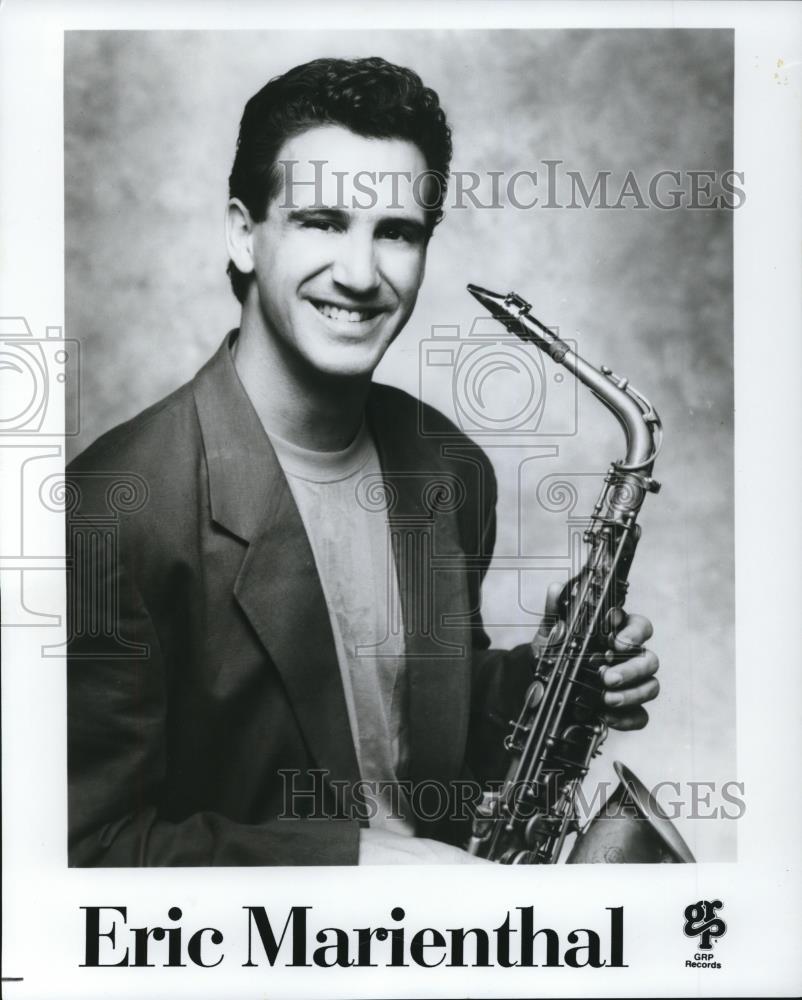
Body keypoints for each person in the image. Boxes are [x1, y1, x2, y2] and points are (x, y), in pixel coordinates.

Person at [66, 57, 660, 866]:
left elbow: (405, 737)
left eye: (397, 232)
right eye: (321, 221)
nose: (360, 272)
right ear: (244, 233)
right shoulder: (110, 510)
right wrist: (354, 860)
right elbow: (85, 851)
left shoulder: (450, 469)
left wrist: (549, 681)